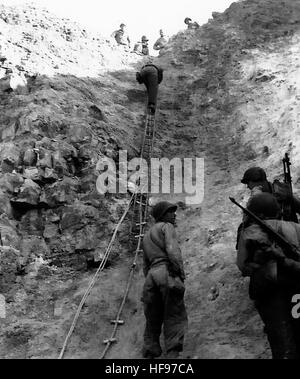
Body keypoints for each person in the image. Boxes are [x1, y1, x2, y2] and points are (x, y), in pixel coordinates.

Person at [236, 192, 300, 359]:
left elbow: (242, 266)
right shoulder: (295, 227)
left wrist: (258, 265)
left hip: (269, 291)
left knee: (281, 340)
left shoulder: (249, 232)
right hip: (296, 288)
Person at [141, 201, 188, 359]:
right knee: (174, 315)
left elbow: (145, 265)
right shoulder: (166, 227)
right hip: (166, 272)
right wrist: (180, 274)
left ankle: (150, 353)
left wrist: (151, 279)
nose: (174, 214)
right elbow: (172, 251)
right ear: (163, 215)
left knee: (152, 319)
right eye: (170, 212)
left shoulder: (146, 235)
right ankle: (172, 359)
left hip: (151, 277)